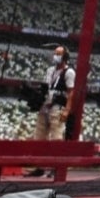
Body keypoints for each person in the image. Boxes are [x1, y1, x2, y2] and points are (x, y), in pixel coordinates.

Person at [25, 45, 76, 177]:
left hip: (57, 106)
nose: (55, 56)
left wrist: (67, 109)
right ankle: (39, 167)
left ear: (64, 57)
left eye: (58, 54)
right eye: (55, 54)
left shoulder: (69, 72)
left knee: (57, 137)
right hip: (45, 104)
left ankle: (56, 167)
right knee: (39, 137)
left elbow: (71, 93)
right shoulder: (50, 70)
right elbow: (46, 87)